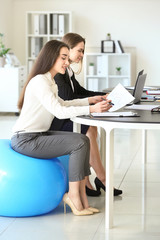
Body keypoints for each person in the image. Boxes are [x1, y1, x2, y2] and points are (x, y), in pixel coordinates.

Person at [11, 40, 112, 216]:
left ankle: (81, 195)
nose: (67, 62)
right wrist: (91, 109)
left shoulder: (50, 81)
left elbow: (63, 103)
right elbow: (59, 111)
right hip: (26, 139)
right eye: (63, 58)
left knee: (82, 139)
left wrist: (89, 100)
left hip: (38, 134)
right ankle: (73, 196)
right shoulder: (40, 81)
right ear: (51, 58)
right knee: (79, 143)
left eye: (67, 57)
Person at [50, 33, 123, 197]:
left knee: (91, 127)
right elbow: (68, 98)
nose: (82, 55)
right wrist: (92, 102)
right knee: (89, 127)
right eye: (80, 50)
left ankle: (89, 179)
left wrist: (103, 95)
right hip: (58, 122)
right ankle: (102, 178)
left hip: (67, 114)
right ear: (67, 49)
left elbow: (80, 92)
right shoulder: (59, 73)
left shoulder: (68, 71)